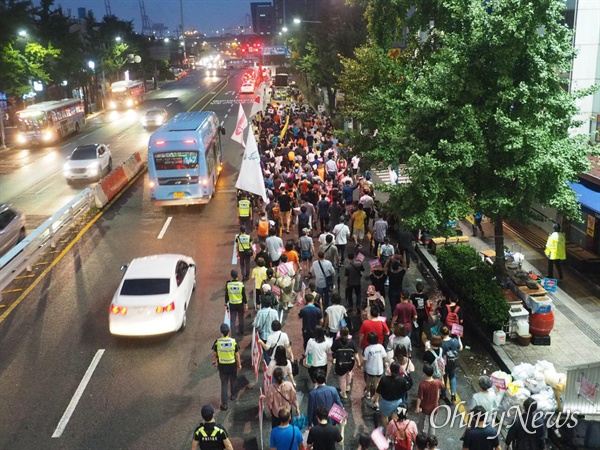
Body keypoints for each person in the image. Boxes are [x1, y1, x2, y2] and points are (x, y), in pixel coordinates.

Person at [212, 323, 241, 411]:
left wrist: (215, 361)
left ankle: (224, 404)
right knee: (233, 379)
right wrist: (239, 364)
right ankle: (233, 394)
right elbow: (237, 355)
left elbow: (214, 354)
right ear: (228, 331)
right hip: (232, 364)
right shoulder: (233, 342)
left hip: (222, 365)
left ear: (221, 332)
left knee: (224, 384)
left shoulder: (218, 342)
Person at [373, 361, 409, 427]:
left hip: (386, 402)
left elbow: (378, 391)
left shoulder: (384, 379)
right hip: (398, 402)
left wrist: (374, 399)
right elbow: (405, 390)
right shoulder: (402, 380)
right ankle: (393, 431)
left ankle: (387, 432)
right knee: (395, 418)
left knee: (384, 416)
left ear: (390, 369)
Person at [415, 364, 445, 436]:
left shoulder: (422, 384)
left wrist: (417, 407)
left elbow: (420, 397)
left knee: (421, 422)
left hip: (424, 407)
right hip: (434, 407)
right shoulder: (437, 382)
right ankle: (431, 440)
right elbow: (443, 386)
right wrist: (442, 376)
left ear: (424, 373)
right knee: (432, 425)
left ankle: (420, 436)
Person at [331, 327, 360, 399]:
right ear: (348, 333)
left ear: (340, 334)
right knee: (349, 373)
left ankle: (343, 393)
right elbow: (356, 354)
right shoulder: (352, 342)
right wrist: (359, 363)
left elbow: (333, 350)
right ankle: (348, 386)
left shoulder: (337, 342)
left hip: (340, 364)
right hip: (350, 364)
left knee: (342, 378)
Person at [363, 332, 387, 403]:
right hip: (379, 368)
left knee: (369, 381)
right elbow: (384, 356)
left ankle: (368, 393)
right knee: (377, 383)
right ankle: (376, 400)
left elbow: (365, 359)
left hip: (370, 369)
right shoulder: (380, 347)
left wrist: (360, 365)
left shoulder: (367, 349)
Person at [441, 325, 463, 402]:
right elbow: (460, 348)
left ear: (441, 333)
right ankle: (453, 393)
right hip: (453, 363)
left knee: (444, 378)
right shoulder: (454, 341)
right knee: (452, 377)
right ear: (449, 332)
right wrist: (459, 338)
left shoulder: (441, 343)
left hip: (444, 363)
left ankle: (443, 395)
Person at [225, 269, 247, 339]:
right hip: (240, 304)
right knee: (241, 319)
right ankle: (241, 332)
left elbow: (226, 295)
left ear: (231, 276)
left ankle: (233, 335)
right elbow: (244, 295)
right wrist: (246, 304)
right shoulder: (241, 284)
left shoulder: (228, 285)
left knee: (233, 320)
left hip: (232, 304)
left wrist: (226, 304)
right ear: (237, 276)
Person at [410, 282, 430, 349]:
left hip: (415, 314)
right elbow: (428, 305)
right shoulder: (425, 296)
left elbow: (411, 305)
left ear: (416, 288)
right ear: (422, 289)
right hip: (422, 314)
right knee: (421, 327)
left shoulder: (412, 296)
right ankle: (420, 341)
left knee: (415, 327)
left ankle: (416, 341)